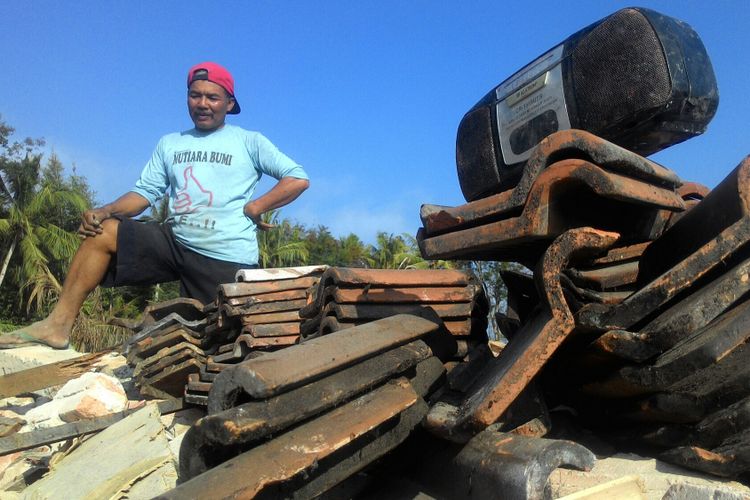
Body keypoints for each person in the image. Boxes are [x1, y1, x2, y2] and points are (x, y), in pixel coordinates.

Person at [0, 61, 309, 349]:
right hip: (174, 243)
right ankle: (58, 325)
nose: (203, 104)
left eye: (213, 98)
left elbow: (296, 178)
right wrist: (106, 211)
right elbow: (144, 193)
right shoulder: (171, 143)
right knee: (104, 231)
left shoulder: (249, 141)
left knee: (217, 345)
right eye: (195, 95)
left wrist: (256, 207)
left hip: (225, 255)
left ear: (229, 104)